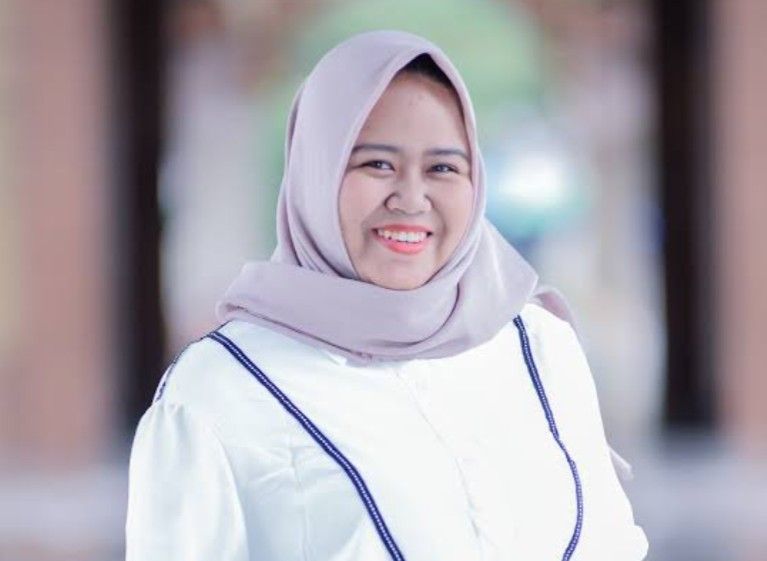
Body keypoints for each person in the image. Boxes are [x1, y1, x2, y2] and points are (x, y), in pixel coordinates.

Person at [125, 29, 648, 561]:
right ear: (315, 171)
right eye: (377, 164)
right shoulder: (221, 387)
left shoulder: (538, 345)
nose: (412, 199)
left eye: (443, 167)